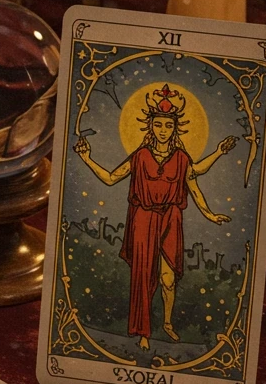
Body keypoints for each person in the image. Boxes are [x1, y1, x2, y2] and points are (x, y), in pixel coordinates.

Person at [73, 84, 236, 349]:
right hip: (143, 218)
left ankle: (168, 324)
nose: (163, 130)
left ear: (174, 129)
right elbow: (112, 178)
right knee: (144, 276)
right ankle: (144, 332)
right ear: (151, 127)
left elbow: (194, 185)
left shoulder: (182, 158)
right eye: (158, 126)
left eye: (168, 126)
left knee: (168, 279)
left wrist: (209, 213)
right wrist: (87, 158)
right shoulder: (140, 156)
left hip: (171, 219)